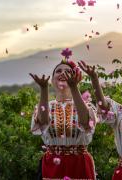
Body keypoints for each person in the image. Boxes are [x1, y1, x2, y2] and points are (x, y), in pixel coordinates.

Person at [29, 51, 97, 180]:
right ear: (52, 80)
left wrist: (74, 87)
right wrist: (43, 90)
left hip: (79, 164)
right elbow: (43, 122)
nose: (62, 73)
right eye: (58, 71)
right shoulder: (47, 106)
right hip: (53, 165)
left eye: (67, 71)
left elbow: (85, 123)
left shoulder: (86, 106)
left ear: (75, 78)